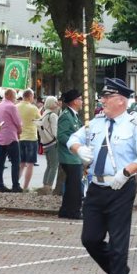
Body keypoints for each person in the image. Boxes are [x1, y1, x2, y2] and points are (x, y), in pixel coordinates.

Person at [68, 78, 137, 274]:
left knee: (119, 244)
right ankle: (118, 269)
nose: (103, 101)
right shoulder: (96, 123)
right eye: (103, 97)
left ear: (120, 100)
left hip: (120, 187)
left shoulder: (133, 125)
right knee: (90, 239)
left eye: (107, 97)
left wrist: (127, 171)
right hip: (96, 186)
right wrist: (80, 150)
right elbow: (72, 139)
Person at [58, 89, 84, 219]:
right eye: (80, 99)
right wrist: (75, 145)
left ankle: (65, 210)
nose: (82, 101)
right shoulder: (66, 116)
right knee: (75, 186)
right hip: (69, 156)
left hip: (73, 156)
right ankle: (74, 211)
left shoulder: (73, 115)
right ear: (74, 101)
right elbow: (61, 135)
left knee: (71, 185)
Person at [0, 88, 23, 193]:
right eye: (14, 96)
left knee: (0, 163)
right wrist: (19, 131)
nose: (15, 99)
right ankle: (15, 185)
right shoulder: (12, 107)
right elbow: (18, 122)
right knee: (15, 162)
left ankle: (0, 185)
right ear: (10, 96)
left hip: (0, 137)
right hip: (11, 137)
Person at [17, 89, 41, 191]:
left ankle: (15, 183)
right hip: (31, 137)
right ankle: (25, 187)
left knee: (21, 163)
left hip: (19, 137)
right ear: (30, 96)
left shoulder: (16, 107)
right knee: (30, 164)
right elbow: (40, 121)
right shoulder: (33, 108)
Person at [38, 96, 60, 192]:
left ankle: (45, 184)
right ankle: (49, 186)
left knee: (49, 165)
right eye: (55, 102)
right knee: (54, 165)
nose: (57, 104)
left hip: (45, 143)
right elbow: (55, 132)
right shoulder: (53, 115)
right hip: (53, 143)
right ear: (52, 104)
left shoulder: (44, 114)